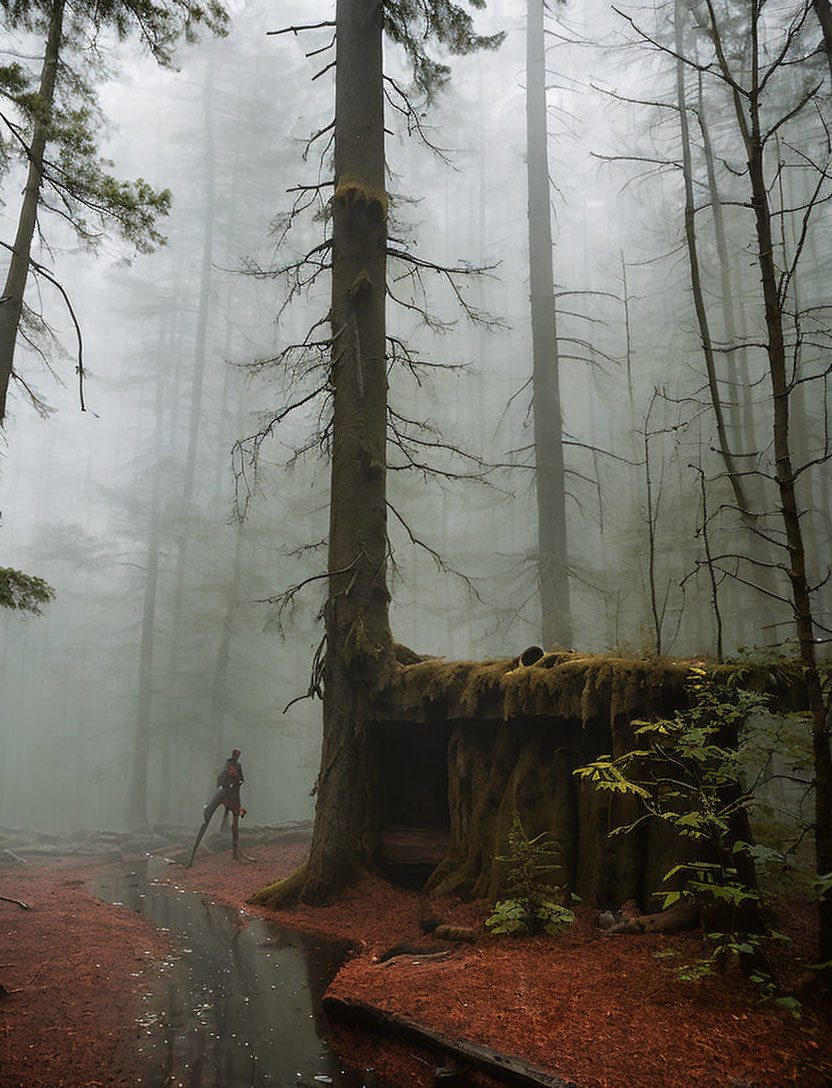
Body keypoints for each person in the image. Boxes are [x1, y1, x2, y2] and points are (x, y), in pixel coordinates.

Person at [187, 748, 248, 867]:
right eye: (236, 754)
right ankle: (192, 856)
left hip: (233, 795)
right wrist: (225, 783)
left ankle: (235, 852)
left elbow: (241, 779)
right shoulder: (227, 764)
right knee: (207, 814)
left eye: (238, 755)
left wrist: (236, 781)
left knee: (235, 822)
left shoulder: (238, 765)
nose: (237, 756)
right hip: (223, 793)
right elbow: (220, 778)